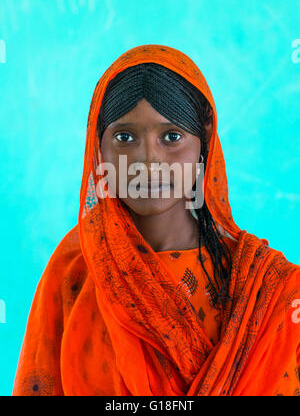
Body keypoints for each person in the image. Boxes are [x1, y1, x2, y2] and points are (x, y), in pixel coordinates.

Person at [13, 44, 300, 396]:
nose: (148, 160)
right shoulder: (74, 273)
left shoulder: (274, 292)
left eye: (172, 137)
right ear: (97, 148)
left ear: (204, 146)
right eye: (124, 137)